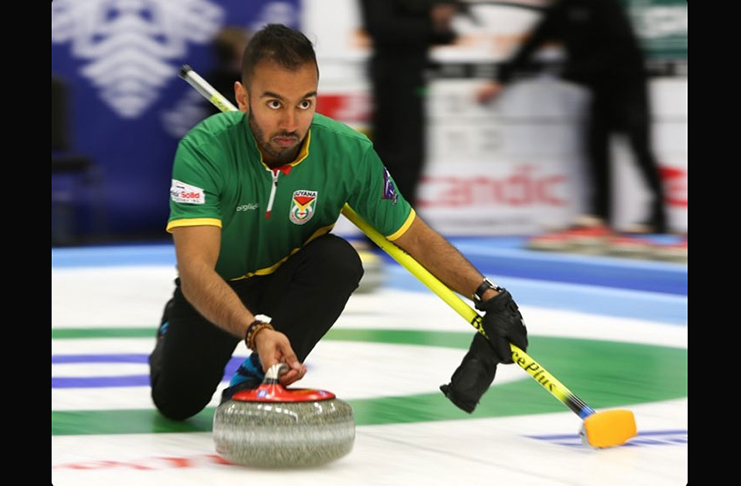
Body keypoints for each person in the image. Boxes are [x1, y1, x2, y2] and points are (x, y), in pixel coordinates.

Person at [149, 24, 528, 421]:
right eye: (274, 104)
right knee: (177, 404)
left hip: (286, 278)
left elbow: (413, 236)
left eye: (305, 103)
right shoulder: (203, 151)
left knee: (339, 260)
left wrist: (487, 295)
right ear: (242, 98)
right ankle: (170, 332)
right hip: (219, 284)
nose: (292, 124)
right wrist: (255, 330)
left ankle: (255, 382)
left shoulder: (347, 152)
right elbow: (195, 271)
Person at [477, 0, 668, 235]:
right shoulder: (560, 10)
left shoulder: (603, 6)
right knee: (595, 148)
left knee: (640, 148)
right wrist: (499, 81)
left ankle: (659, 217)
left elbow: (619, 48)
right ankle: (600, 215)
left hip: (628, 86)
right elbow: (530, 47)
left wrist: (571, 71)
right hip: (599, 90)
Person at [358, 0, 459, 207]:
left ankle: (405, 218)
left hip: (414, 77)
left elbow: (442, 35)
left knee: (413, 156)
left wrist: (442, 21)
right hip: (392, 79)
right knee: (395, 155)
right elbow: (380, 27)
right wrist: (431, 21)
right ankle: (388, 223)